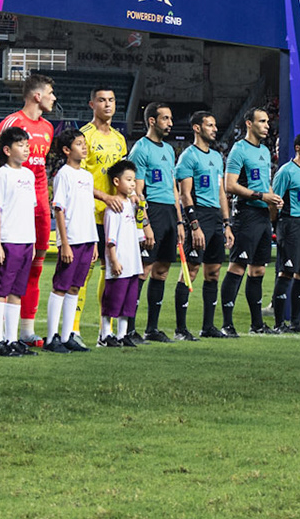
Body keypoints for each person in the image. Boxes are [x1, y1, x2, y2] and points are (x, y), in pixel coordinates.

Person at [0, 73, 56, 348]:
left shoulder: (49, 128)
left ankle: (25, 331)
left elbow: (38, 169)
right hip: (13, 210)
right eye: (50, 92)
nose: (54, 97)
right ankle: (1, 338)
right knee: (6, 275)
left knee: (34, 268)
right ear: (37, 95)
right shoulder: (12, 123)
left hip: (38, 205)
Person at [79, 87, 131, 342]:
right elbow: (80, 178)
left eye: (111, 100)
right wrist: (105, 197)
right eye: (102, 100)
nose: (107, 104)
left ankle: (105, 330)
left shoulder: (120, 139)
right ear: (92, 104)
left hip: (114, 216)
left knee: (111, 272)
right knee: (84, 271)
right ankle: (73, 330)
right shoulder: (84, 137)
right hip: (90, 213)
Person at [223, 107, 279, 338]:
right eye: (262, 121)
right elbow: (230, 185)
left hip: (263, 216)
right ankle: (227, 325)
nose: (267, 125)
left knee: (258, 270)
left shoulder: (265, 151)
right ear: (249, 123)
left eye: (267, 121)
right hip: (246, 215)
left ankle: (257, 325)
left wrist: (273, 200)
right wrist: (260, 196)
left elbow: (265, 184)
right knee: (237, 267)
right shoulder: (239, 150)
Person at [128, 102, 182, 342]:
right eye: (165, 119)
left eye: (170, 119)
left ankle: (152, 328)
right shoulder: (140, 149)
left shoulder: (170, 150)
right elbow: (136, 192)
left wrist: (179, 222)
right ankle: (129, 327)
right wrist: (145, 223)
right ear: (152, 121)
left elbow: (173, 187)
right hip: (152, 212)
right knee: (143, 270)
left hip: (170, 212)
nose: (170, 124)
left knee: (161, 271)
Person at [175, 109, 231, 339]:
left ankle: (208, 327)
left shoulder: (217, 157)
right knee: (191, 270)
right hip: (198, 216)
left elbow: (220, 192)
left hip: (216, 217)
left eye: (215, 125)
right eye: (210, 125)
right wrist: (194, 225)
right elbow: (184, 194)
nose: (215, 129)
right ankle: (180, 329)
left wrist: (227, 223)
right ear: (197, 128)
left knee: (214, 272)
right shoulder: (188, 156)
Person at [45, 128, 102, 352]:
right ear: (67, 150)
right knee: (61, 287)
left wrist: (95, 241)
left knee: (75, 288)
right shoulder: (64, 175)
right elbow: (59, 209)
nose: (84, 147)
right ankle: (51, 338)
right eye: (79, 144)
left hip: (88, 238)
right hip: (72, 239)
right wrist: (64, 243)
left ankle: (68, 335)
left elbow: (88, 210)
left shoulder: (87, 176)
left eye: (84, 143)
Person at [0, 125, 37, 356]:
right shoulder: (2, 175)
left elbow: (30, 211)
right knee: (1, 290)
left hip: (26, 241)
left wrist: (33, 243)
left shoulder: (28, 175)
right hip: (8, 240)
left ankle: (12, 339)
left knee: (17, 292)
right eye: (20, 145)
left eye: (27, 145)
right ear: (7, 149)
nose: (26, 149)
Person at [268, 133, 300, 333]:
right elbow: (274, 201)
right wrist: (277, 226)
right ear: (298, 148)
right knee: (286, 272)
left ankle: (296, 322)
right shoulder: (286, 172)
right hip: (290, 225)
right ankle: (279, 323)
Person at [98, 159, 145, 346]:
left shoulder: (132, 205)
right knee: (112, 302)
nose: (133, 184)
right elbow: (111, 239)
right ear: (117, 182)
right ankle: (105, 335)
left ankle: (122, 335)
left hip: (133, 263)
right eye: (128, 179)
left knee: (128, 303)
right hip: (119, 263)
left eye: (134, 180)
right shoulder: (113, 208)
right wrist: (114, 260)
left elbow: (137, 230)